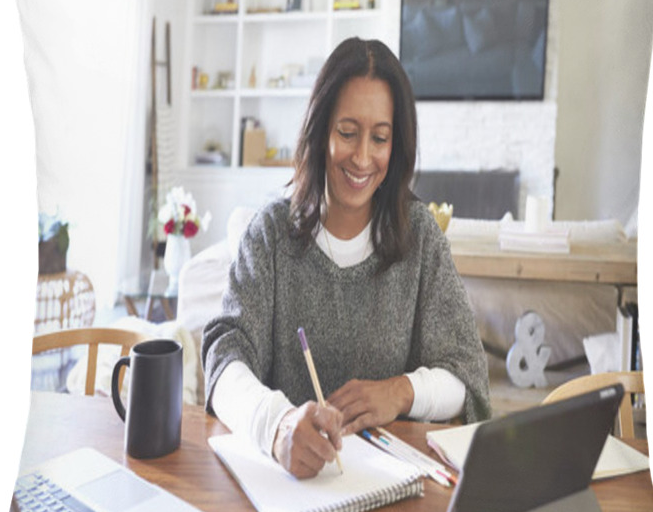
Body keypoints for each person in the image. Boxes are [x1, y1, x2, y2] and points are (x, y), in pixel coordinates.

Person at [201, 37, 490, 479]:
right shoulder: (271, 235)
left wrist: (400, 391)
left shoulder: (421, 238)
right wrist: (276, 425)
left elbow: (466, 377)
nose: (362, 158)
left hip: (394, 494)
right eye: (347, 133)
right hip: (293, 491)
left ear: (397, 146)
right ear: (321, 132)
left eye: (380, 138)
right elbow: (224, 361)